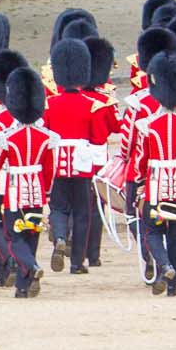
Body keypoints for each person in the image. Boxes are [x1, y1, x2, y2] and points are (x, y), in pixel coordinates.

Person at [0, 66, 54, 298]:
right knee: (32, 234)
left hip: (14, 191)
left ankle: (31, 267)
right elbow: (49, 170)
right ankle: (25, 286)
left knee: (13, 237)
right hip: (37, 192)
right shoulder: (46, 137)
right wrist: (48, 192)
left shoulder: (8, 138)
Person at [42, 38, 109, 275]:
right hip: (82, 162)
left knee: (58, 206)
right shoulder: (91, 105)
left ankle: (60, 236)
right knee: (82, 211)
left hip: (58, 159)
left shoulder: (50, 104)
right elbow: (99, 138)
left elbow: (43, 134)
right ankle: (76, 263)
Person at [130, 53, 176, 295]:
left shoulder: (148, 125)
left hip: (156, 183)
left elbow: (140, 160)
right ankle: (173, 284)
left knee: (151, 230)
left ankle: (164, 264)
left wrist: (139, 182)